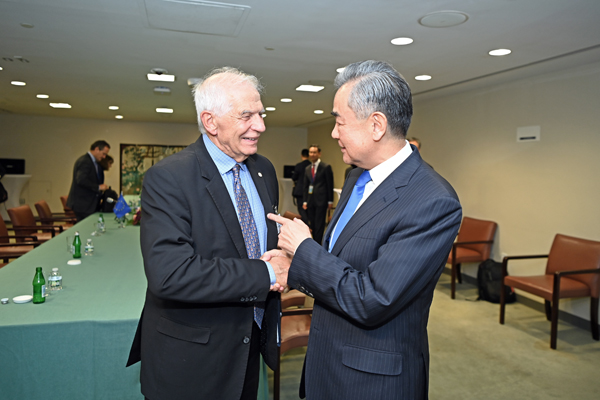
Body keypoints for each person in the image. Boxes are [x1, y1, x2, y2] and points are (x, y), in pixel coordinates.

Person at [265, 60, 462, 400]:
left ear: (376, 125)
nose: (333, 132)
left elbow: (374, 298)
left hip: (371, 382)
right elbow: (342, 261)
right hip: (326, 362)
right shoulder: (356, 175)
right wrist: (294, 266)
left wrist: (304, 250)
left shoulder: (432, 200)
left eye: (339, 120)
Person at [126, 67, 288, 400]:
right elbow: (170, 274)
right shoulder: (169, 177)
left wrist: (287, 253)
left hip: (248, 352)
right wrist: (268, 271)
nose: (260, 126)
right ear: (211, 122)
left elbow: (259, 243)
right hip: (192, 361)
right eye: (247, 116)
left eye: (260, 114)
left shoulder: (264, 169)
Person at [66, 140, 110, 221]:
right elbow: (81, 180)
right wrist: (98, 187)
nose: (104, 157)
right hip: (83, 205)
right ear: (97, 149)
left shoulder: (94, 162)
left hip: (90, 204)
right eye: (103, 154)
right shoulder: (85, 161)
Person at [302, 144, 333, 244]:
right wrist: (305, 201)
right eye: (311, 152)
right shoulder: (307, 168)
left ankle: (318, 243)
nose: (312, 154)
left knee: (320, 224)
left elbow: (329, 184)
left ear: (319, 154)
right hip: (310, 200)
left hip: (321, 200)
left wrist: (330, 201)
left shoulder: (326, 167)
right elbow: (305, 186)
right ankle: (314, 242)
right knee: (312, 224)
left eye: (314, 152)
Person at [291, 148, 310, 223]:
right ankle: (308, 223)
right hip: (309, 191)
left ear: (301, 155)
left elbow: (294, 177)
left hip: (300, 190)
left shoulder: (299, 166)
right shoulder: (311, 165)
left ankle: (307, 225)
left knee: (301, 208)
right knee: (308, 210)